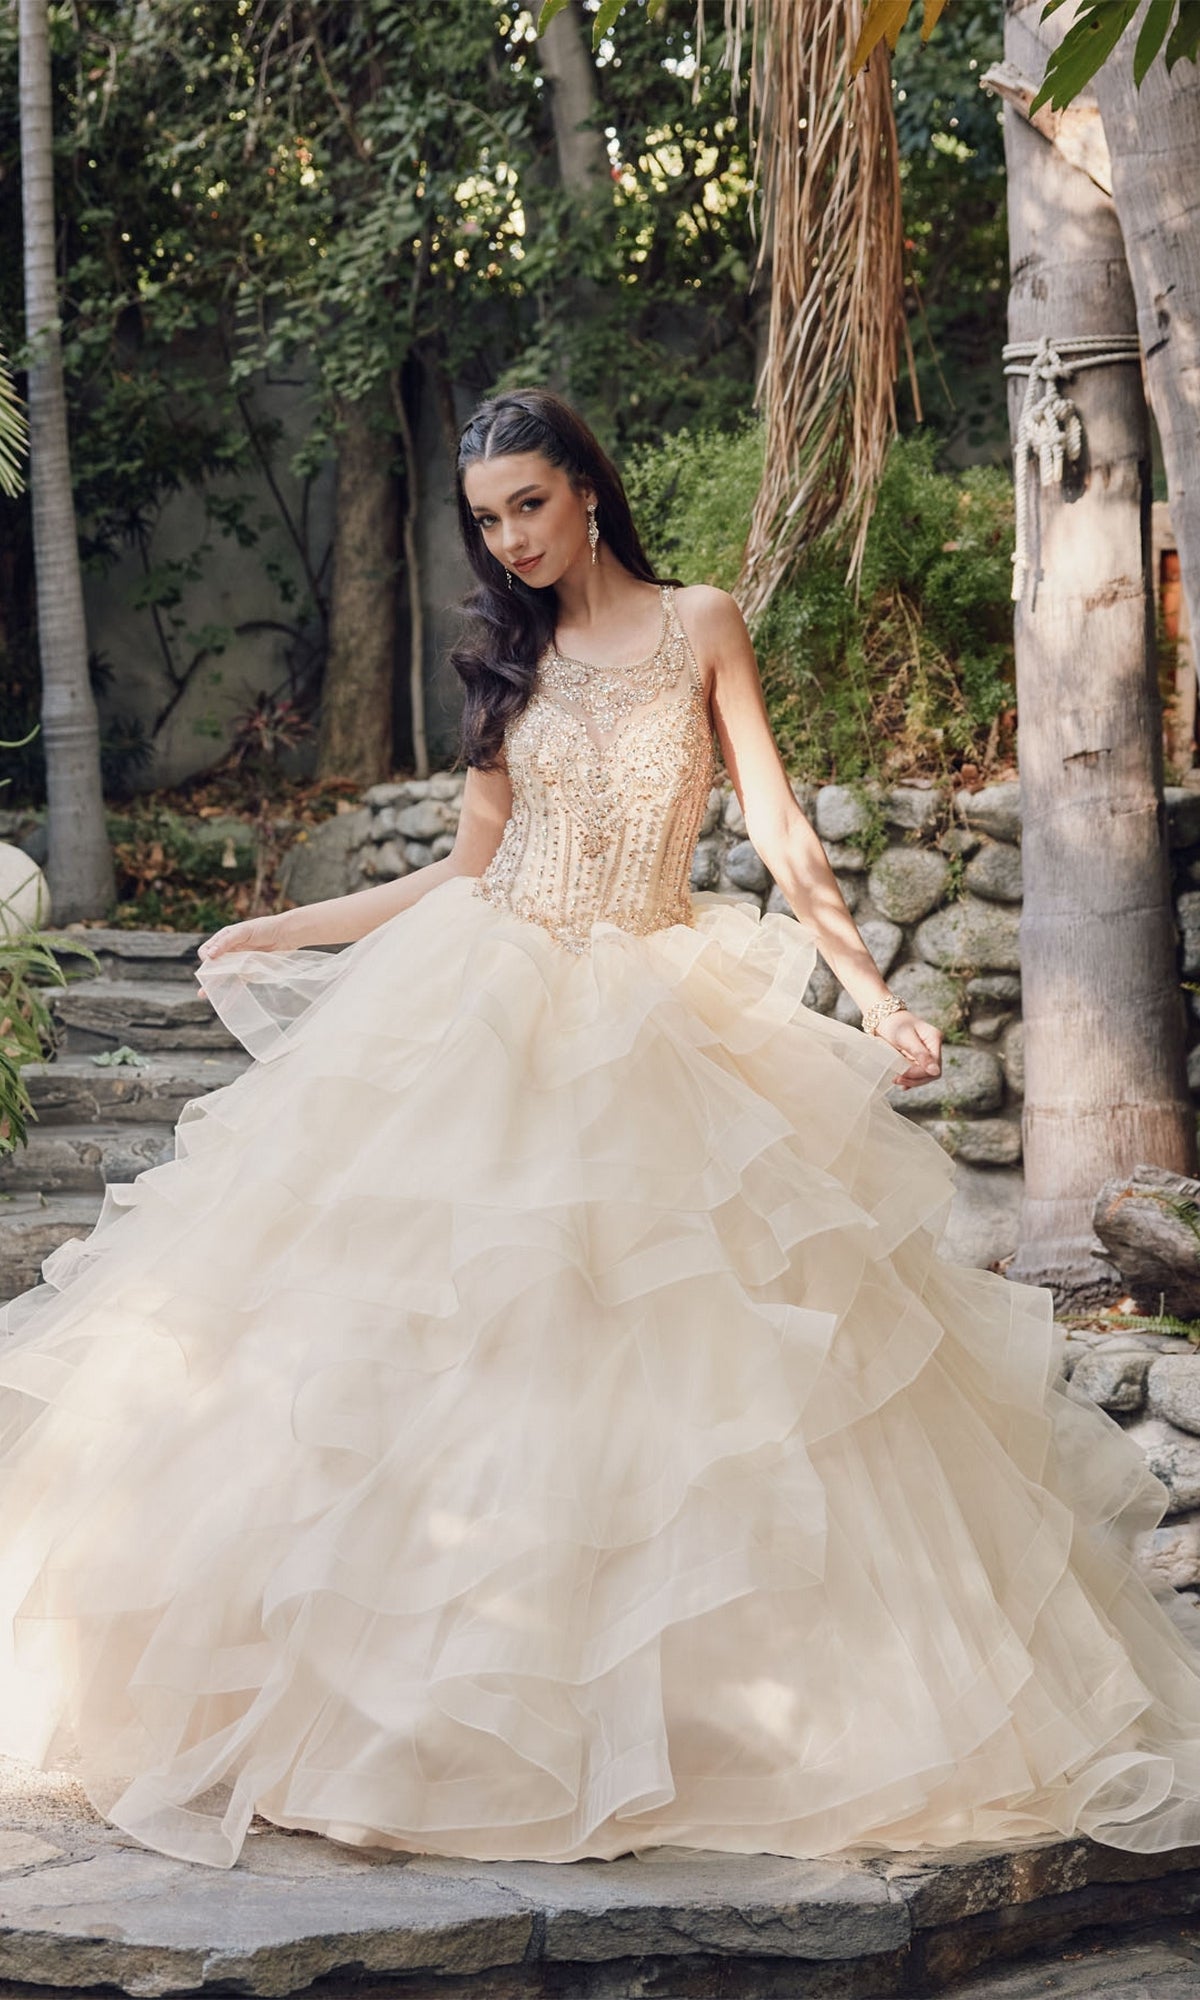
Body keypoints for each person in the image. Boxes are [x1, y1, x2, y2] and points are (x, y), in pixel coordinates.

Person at [4, 388, 1200, 1876]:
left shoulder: (701, 622)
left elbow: (777, 829)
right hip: (488, 1005)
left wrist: (871, 997)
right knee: (444, 1357)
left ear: (586, 487)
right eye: (487, 519)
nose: (509, 540)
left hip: (659, 1006)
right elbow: (466, 872)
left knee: (695, 1366)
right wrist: (288, 924)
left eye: (529, 505)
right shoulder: (506, 662)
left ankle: (702, 1736)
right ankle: (416, 1731)